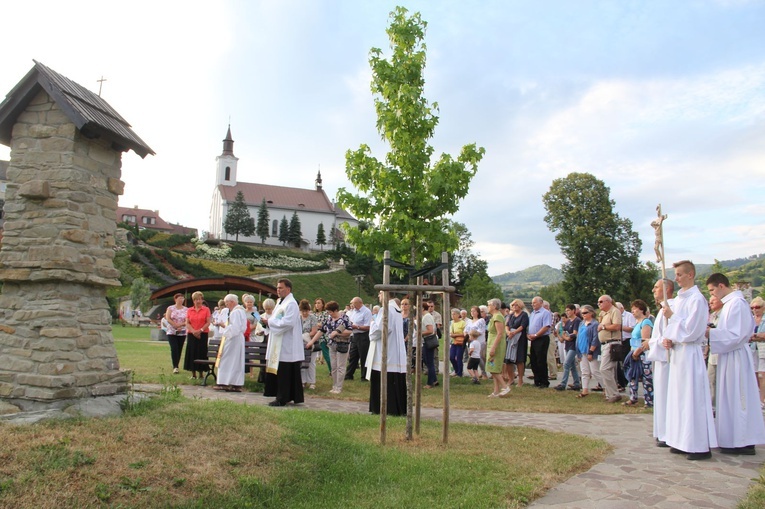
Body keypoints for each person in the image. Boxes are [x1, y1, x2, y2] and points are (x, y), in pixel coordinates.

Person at [662, 260, 717, 460]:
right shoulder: (680, 299)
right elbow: (676, 328)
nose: (676, 278)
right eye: (675, 274)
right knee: (679, 398)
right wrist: (668, 339)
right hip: (678, 352)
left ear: (690, 274)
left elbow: (693, 330)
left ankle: (698, 444)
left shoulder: (697, 299)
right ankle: (681, 440)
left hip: (690, 353)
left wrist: (673, 316)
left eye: (679, 274)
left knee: (692, 398)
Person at [707, 273, 765, 455]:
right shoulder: (730, 304)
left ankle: (743, 440)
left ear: (721, 285)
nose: (713, 295)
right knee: (730, 397)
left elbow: (736, 335)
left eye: (712, 290)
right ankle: (732, 438)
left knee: (739, 397)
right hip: (729, 355)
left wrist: (711, 333)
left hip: (736, 357)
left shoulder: (736, 304)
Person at [262, 278, 305, 407]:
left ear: (288, 289)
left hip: (287, 344)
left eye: (281, 288)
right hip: (278, 342)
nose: (278, 290)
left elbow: (288, 323)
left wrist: (269, 322)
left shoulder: (291, 304)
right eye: (277, 288)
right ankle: (283, 395)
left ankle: (282, 397)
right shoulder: (281, 302)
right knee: (282, 371)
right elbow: (276, 319)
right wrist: (267, 322)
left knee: (285, 372)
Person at [645, 278, 675, 447]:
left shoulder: (670, 308)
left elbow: (669, 334)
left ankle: (667, 432)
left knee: (666, 395)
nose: (653, 290)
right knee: (661, 395)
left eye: (656, 287)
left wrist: (652, 342)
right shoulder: (662, 310)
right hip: (660, 357)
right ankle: (662, 430)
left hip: (667, 358)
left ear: (666, 289)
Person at [368, 293, 407, 415]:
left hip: (386, 353)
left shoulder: (386, 309)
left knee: (384, 380)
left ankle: (383, 409)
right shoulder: (397, 310)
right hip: (395, 353)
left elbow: (379, 330)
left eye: (379, 294)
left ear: (385, 294)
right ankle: (397, 409)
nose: (379, 296)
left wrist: (372, 323)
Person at [312, 300, 352, 394]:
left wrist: (338, 333)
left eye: (330, 312)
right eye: (328, 312)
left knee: (340, 367)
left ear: (336, 310)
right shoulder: (329, 319)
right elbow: (321, 331)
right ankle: (334, 385)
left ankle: (339, 387)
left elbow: (350, 331)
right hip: (331, 345)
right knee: (333, 366)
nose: (329, 314)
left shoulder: (344, 318)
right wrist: (312, 341)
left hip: (342, 345)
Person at [622, 299, 653, 407]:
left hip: (642, 354)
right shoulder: (637, 323)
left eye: (634, 309)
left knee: (646, 377)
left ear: (641, 310)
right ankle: (633, 397)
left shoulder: (646, 322)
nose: (633, 312)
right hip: (633, 351)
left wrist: (637, 352)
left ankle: (649, 400)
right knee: (633, 375)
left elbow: (645, 340)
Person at [216, 294, 246, 392]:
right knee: (235, 361)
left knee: (227, 360)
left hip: (233, 339)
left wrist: (224, 327)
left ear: (232, 302)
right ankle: (235, 383)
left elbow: (235, 329)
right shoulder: (241, 311)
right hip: (237, 339)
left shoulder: (235, 312)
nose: (226, 305)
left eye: (226, 303)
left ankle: (224, 382)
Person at [596, 295, 622, 403]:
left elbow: (617, 326)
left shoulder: (614, 311)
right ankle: (609, 394)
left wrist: (603, 327)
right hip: (604, 344)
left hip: (612, 343)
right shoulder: (603, 314)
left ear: (608, 302)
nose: (599, 304)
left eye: (601, 301)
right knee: (609, 370)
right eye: (598, 302)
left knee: (604, 369)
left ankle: (614, 393)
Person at [183, 291, 211, 380]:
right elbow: (187, 323)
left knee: (201, 352)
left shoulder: (206, 310)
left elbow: (208, 322)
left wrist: (200, 330)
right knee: (192, 353)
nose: (198, 301)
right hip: (192, 334)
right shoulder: (189, 310)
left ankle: (201, 373)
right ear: (193, 300)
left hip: (203, 333)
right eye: (196, 300)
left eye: (199, 299)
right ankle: (193, 373)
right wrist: (194, 331)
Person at [576, 304, 603, 399]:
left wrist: (591, 351)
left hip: (591, 351)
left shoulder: (595, 324)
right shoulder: (581, 323)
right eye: (582, 313)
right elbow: (578, 337)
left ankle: (606, 388)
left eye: (585, 312)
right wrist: (578, 351)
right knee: (584, 371)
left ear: (591, 313)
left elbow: (595, 339)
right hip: (582, 350)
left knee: (595, 371)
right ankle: (585, 390)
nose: (583, 314)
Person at [486, 298, 511, 398]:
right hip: (491, 343)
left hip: (496, 345)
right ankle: (496, 391)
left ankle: (505, 387)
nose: (488, 307)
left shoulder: (498, 317)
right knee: (493, 367)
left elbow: (500, 333)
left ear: (494, 306)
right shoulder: (494, 316)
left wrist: (493, 348)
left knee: (493, 367)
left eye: (489, 305)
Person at [345, 297, 373, 381]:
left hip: (363, 336)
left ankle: (364, 376)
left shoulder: (366, 312)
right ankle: (349, 375)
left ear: (358, 303)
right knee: (353, 356)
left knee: (363, 356)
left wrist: (356, 326)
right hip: (355, 335)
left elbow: (368, 326)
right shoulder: (354, 312)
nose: (351, 305)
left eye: (352, 303)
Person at [555, 304, 581, 391]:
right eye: (566, 311)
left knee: (566, 364)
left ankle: (563, 384)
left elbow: (574, 334)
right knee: (572, 365)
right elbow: (564, 332)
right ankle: (577, 383)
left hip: (573, 345)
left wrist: (566, 338)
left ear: (574, 310)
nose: (567, 312)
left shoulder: (577, 320)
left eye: (569, 310)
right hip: (567, 345)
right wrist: (565, 337)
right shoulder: (568, 321)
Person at [528, 296, 552, 388]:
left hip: (541, 338)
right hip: (533, 338)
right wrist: (529, 334)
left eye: (534, 302)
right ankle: (537, 380)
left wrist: (536, 335)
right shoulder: (533, 313)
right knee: (533, 360)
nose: (532, 304)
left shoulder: (545, 313)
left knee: (541, 360)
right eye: (532, 303)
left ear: (541, 303)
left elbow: (546, 326)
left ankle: (544, 381)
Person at [506, 299, 529, 387]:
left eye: (516, 305)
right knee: (508, 360)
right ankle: (511, 378)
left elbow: (523, 326)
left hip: (519, 338)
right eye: (513, 305)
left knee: (519, 360)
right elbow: (507, 325)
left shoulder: (524, 315)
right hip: (510, 337)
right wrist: (508, 332)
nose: (514, 307)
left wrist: (514, 333)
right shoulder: (511, 315)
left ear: (520, 306)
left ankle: (520, 380)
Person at [706, 295, 723, 412]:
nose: (710, 303)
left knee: (720, 380)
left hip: (722, 351)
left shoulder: (724, 315)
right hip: (712, 352)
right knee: (711, 379)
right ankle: (712, 405)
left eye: (713, 300)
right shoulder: (712, 316)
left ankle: (720, 405)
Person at [299, 299, 320, 390]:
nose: (304, 313)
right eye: (302, 311)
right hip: (300, 343)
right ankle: (303, 381)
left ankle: (312, 382)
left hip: (310, 342)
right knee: (302, 362)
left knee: (311, 363)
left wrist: (304, 336)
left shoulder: (312, 318)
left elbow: (314, 331)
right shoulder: (298, 318)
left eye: (306, 311)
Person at [164, 293, 188, 374]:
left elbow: (187, 320)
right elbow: (168, 318)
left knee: (179, 348)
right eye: (180, 298)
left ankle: (177, 364)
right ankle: (175, 366)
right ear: (175, 299)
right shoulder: (171, 308)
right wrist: (175, 325)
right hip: (172, 331)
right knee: (174, 348)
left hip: (182, 331)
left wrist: (181, 325)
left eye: (182, 298)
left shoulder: (186, 309)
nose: (181, 300)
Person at [749, 296, 765, 407]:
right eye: (753, 307)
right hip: (752, 347)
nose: (755, 309)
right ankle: (756, 398)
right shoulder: (750, 319)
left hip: (763, 348)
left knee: (762, 375)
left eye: (757, 307)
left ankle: (762, 399)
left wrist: (758, 336)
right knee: (754, 374)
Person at [464, 306, 488, 380]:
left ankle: (484, 373)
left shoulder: (481, 320)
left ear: (478, 312)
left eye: (474, 311)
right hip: (470, 342)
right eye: (471, 311)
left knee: (479, 357)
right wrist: (466, 335)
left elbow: (480, 331)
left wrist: (472, 335)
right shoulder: (469, 321)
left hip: (479, 342)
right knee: (473, 358)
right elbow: (466, 330)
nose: (472, 313)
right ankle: (476, 374)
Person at [421, 301, 439, 389]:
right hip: (427, 341)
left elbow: (430, 330)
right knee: (427, 360)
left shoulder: (426, 317)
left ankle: (430, 382)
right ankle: (434, 380)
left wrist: (420, 333)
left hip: (428, 341)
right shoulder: (427, 316)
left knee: (429, 362)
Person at [313, 298, 331, 374]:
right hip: (314, 336)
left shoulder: (325, 313)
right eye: (316, 303)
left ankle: (332, 370)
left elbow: (323, 325)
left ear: (323, 304)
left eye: (319, 303)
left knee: (326, 354)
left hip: (322, 336)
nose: (317, 305)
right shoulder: (313, 314)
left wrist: (317, 325)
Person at [449, 308, 466, 378]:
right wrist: (453, 335)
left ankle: (460, 373)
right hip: (453, 342)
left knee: (459, 357)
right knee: (451, 357)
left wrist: (455, 335)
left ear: (458, 315)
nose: (453, 316)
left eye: (454, 314)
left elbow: (465, 334)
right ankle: (456, 370)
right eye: (452, 314)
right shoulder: (452, 323)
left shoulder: (462, 323)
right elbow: (451, 333)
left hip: (460, 343)